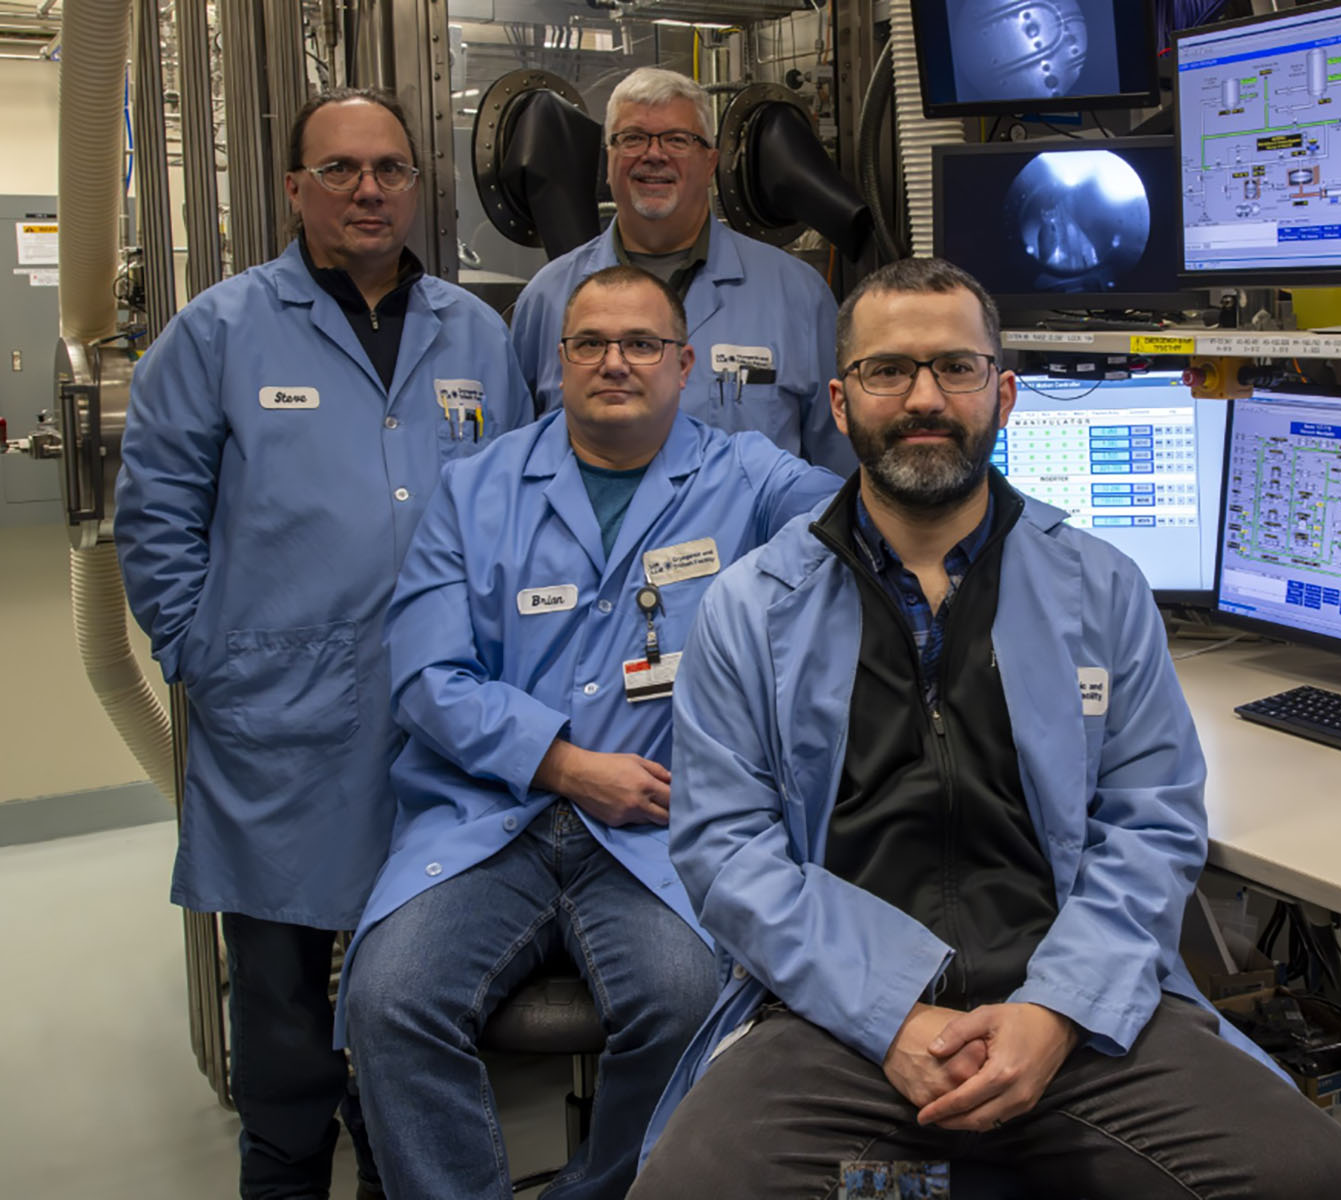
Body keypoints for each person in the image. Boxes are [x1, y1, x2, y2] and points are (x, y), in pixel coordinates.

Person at [629, 259, 1341, 1199]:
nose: (924, 398)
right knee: (687, 1189)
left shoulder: (1101, 588)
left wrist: (1055, 1011)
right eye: (888, 370)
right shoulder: (752, 606)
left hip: (1076, 1004)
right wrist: (890, 1013)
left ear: (1005, 392)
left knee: (1314, 1180)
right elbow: (725, 851)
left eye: (956, 367)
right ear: (839, 399)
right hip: (837, 1014)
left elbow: (1151, 825)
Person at [340, 265, 842, 1200]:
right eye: (591, 345)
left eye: (642, 344)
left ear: (684, 363)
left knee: (691, 1006)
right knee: (389, 999)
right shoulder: (476, 488)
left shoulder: (746, 477)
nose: (616, 363)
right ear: (558, 363)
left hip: (659, 830)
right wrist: (564, 764)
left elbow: (862, 518)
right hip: (492, 815)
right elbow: (425, 675)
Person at [113, 89, 533, 1199]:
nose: (367, 189)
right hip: (277, 730)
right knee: (286, 1028)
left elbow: (522, 507)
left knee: (415, 1011)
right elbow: (153, 517)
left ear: (416, 185)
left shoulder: (476, 335)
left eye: (389, 169)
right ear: (295, 187)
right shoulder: (220, 331)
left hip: (443, 730)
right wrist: (201, 652)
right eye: (340, 170)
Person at [509, 66, 855, 476]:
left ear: (710, 163)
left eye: (677, 139)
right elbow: (516, 465)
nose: (654, 155)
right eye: (633, 138)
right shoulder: (548, 298)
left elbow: (839, 472)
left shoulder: (797, 295)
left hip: (752, 542)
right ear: (608, 162)